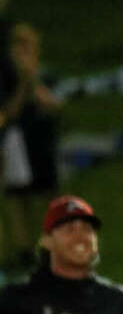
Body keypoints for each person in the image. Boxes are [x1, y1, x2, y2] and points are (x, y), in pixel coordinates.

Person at [2, 23, 62, 271]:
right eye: (21, 48)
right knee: (19, 195)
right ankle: (24, 249)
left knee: (47, 192)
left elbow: (53, 106)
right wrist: (25, 84)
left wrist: (33, 80)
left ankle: (51, 246)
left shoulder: (41, 74)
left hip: (39, 136)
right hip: (16, 137)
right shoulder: (7, 78)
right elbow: (11, 112)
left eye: (31, 49)